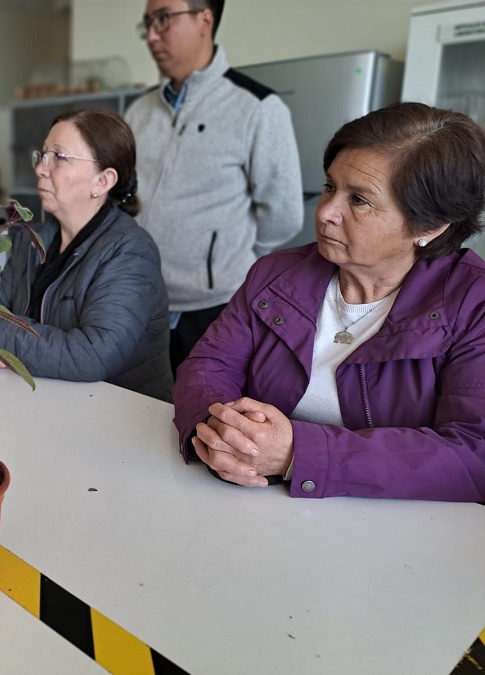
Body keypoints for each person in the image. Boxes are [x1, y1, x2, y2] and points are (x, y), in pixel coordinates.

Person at [175, 102, 485, 502]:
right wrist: (221, 432)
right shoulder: (275, 275)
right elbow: (209, 365)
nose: (326, 213)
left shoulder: (474, 306)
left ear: (429, 225)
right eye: (329, 187)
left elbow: (472, 454)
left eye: (359, 200)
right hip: (250, 503)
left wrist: (297, 454)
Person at [125, 0, 303, 376]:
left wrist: (223, 260)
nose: (153, 35)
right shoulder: (138, 111)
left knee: (198, 422)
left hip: (215, 309)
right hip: (137, 299)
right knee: (129, 411)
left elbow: (283, 214)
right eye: (147, 24)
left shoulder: (257, 107)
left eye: (163, 19)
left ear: (204, 19)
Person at [0, 108, 172, 402]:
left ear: (102, 181)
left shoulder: (131, 252)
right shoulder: (30, 239)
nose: (41, 169)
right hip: (43, 401)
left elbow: (90, 356)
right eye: (43, 155)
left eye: (58, 157)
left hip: (123, 416)